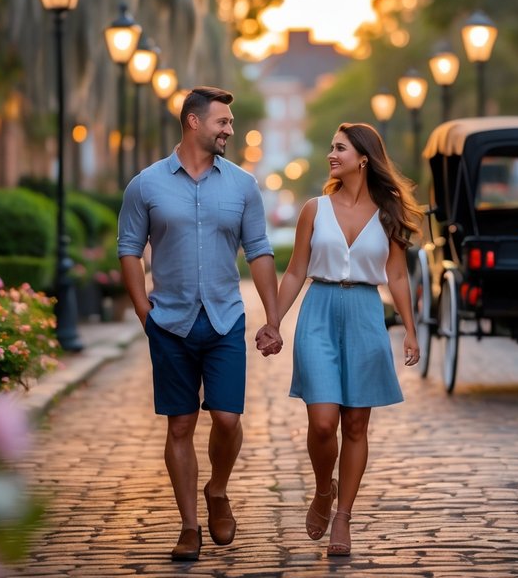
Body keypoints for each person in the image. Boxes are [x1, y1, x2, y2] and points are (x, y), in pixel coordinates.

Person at [117, 86, 279, 562]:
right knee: (180, 425)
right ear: (193, 122)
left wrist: (272, 317)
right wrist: (144, 315)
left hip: (225, 318)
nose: (230, 129)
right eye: (222, 122)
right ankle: (189, 526)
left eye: (229, 123)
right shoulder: (145, 185)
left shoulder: (242, 185)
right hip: (169, 322)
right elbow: (128, 250)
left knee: (227, 419)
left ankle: (218, 488)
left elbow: (261, 252)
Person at [255, 122, 422, 558]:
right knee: (323, 421)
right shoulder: (315, 208)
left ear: (363, 158)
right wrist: (274, 320)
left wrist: (411, 329)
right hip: (319, 312)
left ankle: (343, 516)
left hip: (366, 315)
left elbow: (398, 275)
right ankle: (322, 491)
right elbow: (295, 271)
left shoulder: (388, 213)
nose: (332, 155)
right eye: (331, 147)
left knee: (356, 424)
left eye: (340, 148)